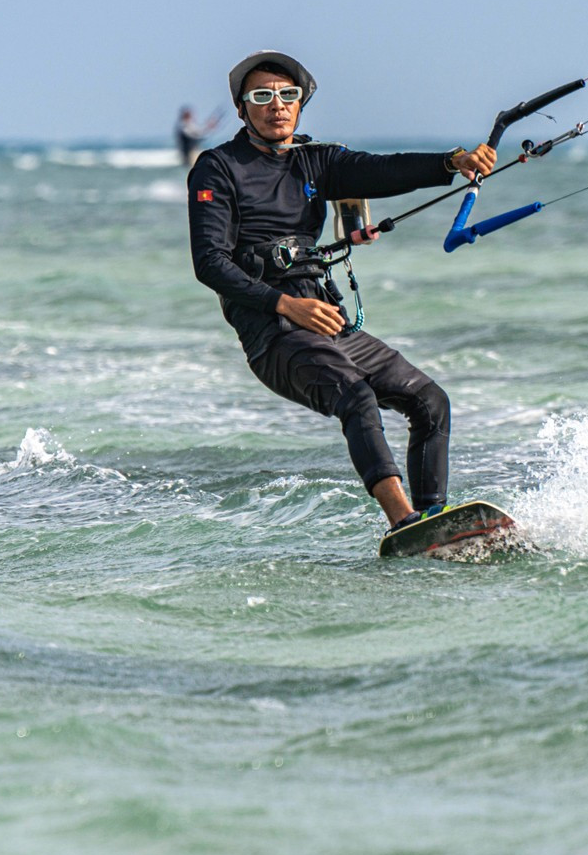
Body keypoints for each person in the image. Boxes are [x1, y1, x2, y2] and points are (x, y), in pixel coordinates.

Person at [186, 51, 495, 535]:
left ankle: (434, 520)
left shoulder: (315, 160)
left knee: (430, 401)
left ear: (301, 103)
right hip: (273, 330)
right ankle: (402, 521)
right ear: (243, 108)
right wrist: (284, 304)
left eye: (288, 95)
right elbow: (209, 263)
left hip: (325, 316)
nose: (277, 105)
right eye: (261, 97)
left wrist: (452, 161)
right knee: (356, 398)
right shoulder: (217, 168)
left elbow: (382, 170)